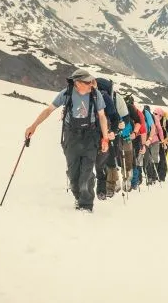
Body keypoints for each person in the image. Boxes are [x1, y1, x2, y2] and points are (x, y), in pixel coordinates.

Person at [25, 69, 109, 213]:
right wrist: (34, 126)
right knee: (73, 176)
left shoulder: (96, 95)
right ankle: (78, 196)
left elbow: (102, 117)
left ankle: (86, 205)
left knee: (86, 174)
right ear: (77, 83)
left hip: (91, 136)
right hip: (72, 137)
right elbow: (48, 111)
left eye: (91, 81)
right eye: (87, 82)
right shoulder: (66, 93)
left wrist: (105, 138)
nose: (91, 84)